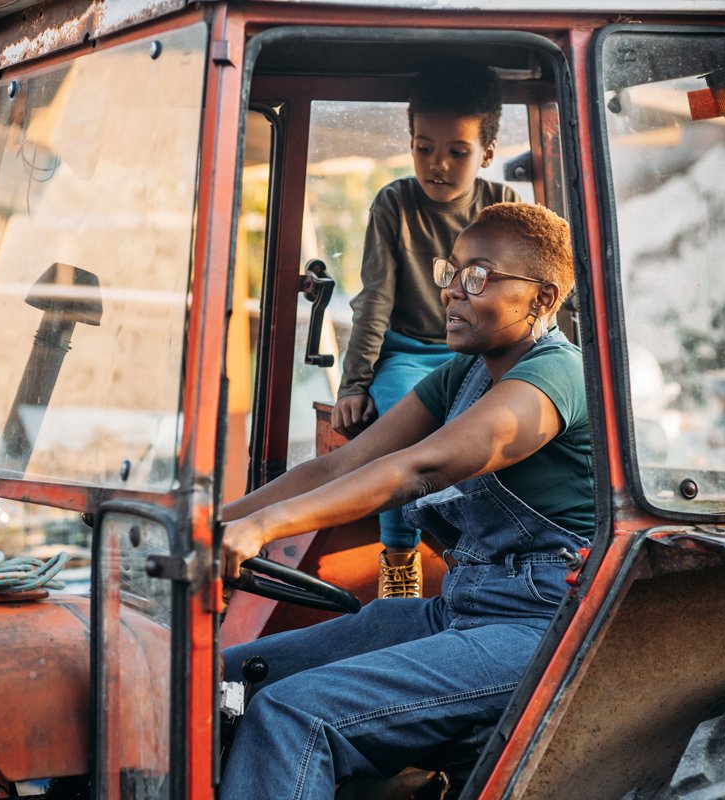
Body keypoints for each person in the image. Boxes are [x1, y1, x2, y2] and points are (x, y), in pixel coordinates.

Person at [219, 202, 593, 799]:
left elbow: (421, 467)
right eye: (452, 273)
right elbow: (341, 463)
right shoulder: (465, 373)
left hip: (540, 627)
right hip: (462, 610)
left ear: (544, 299)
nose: (453, 293)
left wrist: (264, 527)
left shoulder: (559, 377)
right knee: (227, 678)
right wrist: (213, 523)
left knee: (295, 713)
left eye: (479, 278)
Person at [331, 58, 521, 598]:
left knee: (496, 436)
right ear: (410, 140)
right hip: (409, 355)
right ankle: (400, 562)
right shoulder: (394, 203)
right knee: (397, 430)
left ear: (485, 153)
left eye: (457, 152)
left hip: (481, 355)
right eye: (424, 147)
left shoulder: (503, 207)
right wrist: (354, 384)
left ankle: (483, 561)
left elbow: (527, 296)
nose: (437, 164)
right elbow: (375, 300)